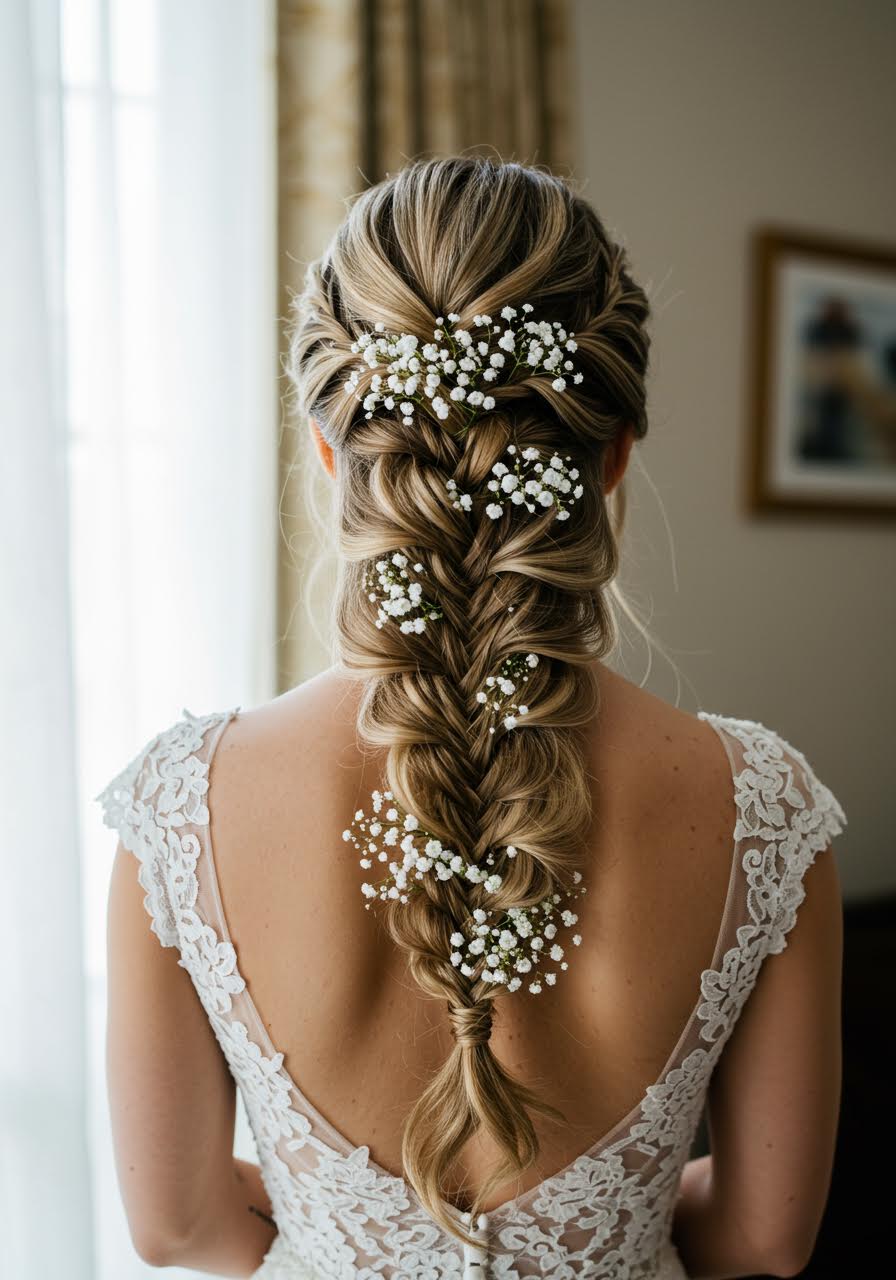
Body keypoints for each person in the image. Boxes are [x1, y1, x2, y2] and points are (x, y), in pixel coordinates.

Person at [97, 157, 846, 1279]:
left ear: (329, 450)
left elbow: (180, 1225)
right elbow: (762, 1235)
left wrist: (337, 1214)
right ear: (610, 460)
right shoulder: (761, 806)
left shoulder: (180, 806)